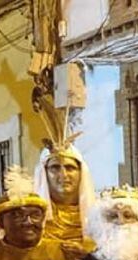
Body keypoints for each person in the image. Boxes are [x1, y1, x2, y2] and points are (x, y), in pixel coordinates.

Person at [35, 92, 98, 245]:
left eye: (70, 168)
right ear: (44, 173)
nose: (63, 175)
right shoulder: (30, 215)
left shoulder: (100, 214)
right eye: (55, 168)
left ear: (81, 172)